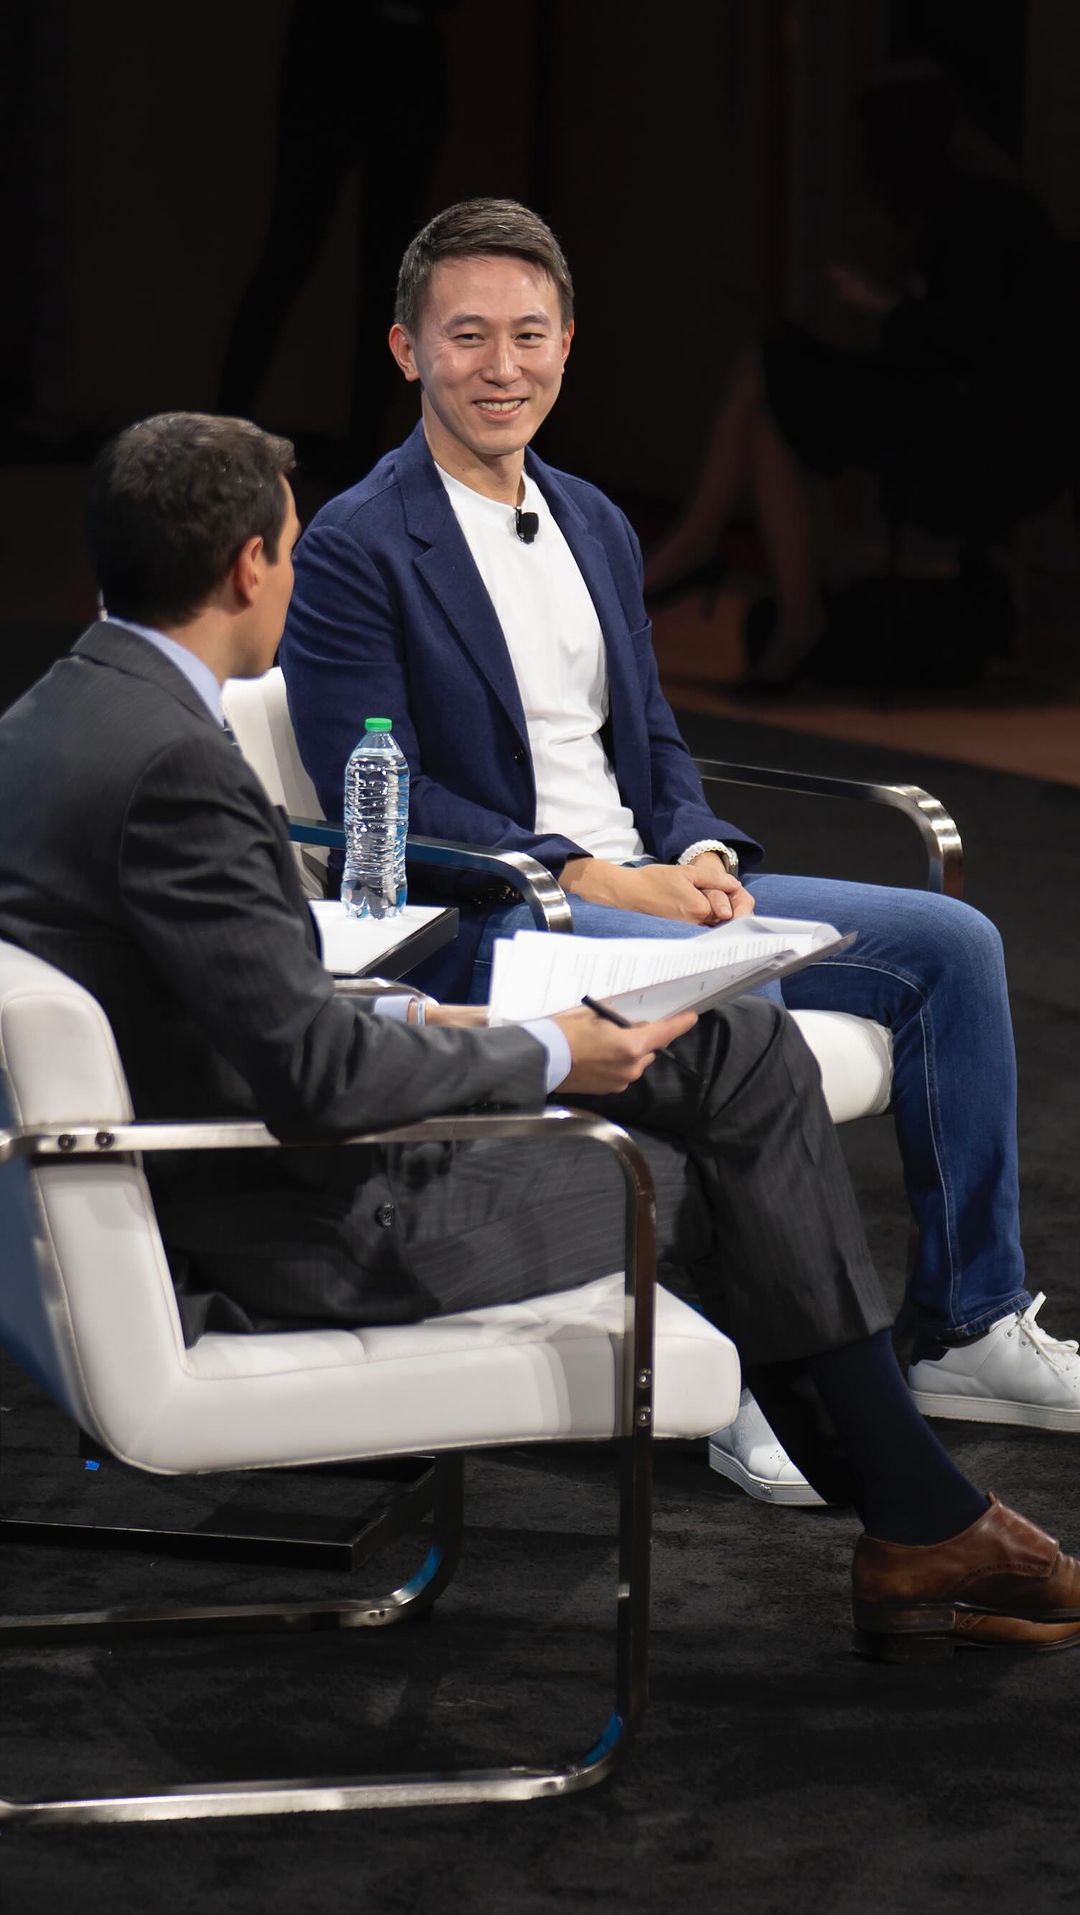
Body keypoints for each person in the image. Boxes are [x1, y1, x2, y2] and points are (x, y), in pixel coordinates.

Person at [0, 409, 1076, 1661]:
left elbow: (230, 997)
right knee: (724, 1166)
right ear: (250, 566)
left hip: (240, 1154)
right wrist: (559, 1049)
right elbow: (317, 1081)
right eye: (286, 550)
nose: (290, 575)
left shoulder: (54, 720)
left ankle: (903, 1495)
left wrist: (420, 1011)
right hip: (315, 1224)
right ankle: (912, 1508)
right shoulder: (181, 769)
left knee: (738, 1056)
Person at [278, 199, 1080, 1510]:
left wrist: (697, 846)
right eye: (467, 335)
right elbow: (382, 790)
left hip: (648, 884)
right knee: (727, 1006)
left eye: (529, 334)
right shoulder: (360, 544)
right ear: (407, 349)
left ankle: (967, 1323)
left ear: (568, 343)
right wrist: (591, 876)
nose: (501, 366)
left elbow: (649, 734)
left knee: (955, 943)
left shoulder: (593, 517)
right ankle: (751, 1372)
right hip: (505, 917)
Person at [643, 68, 1076, 689]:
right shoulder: (975, 201)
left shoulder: (985, 208)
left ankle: (701, 546)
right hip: (956, 406)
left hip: (983, 435)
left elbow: (973, 345)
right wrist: (892, 308)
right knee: (767, 407)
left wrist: (888, 309)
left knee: (770, 365)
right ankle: (788, 609)